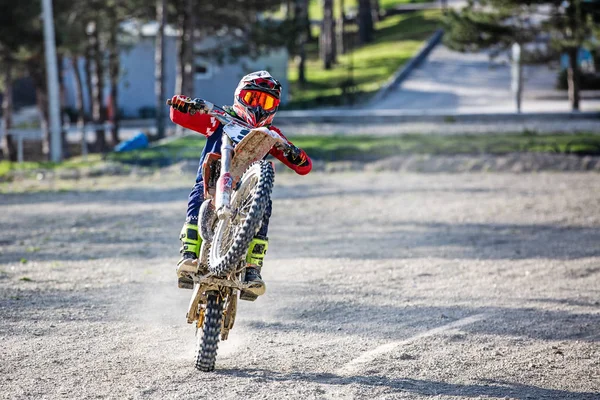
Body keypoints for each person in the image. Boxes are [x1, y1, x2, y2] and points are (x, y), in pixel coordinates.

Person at [168, 70, 312, 294]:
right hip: (213, 182)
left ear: (274, 107)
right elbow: (178, 116)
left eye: (266, 101)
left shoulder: (268, 133)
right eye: (252, 99)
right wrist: (185, 105)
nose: (258, 106)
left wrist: (293, 152)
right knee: (198, 193)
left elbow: (304, 167)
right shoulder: (218, 117)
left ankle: (253, 266)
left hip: (247, 192)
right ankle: (189, 254)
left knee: (265, 206)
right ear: (239, 97)